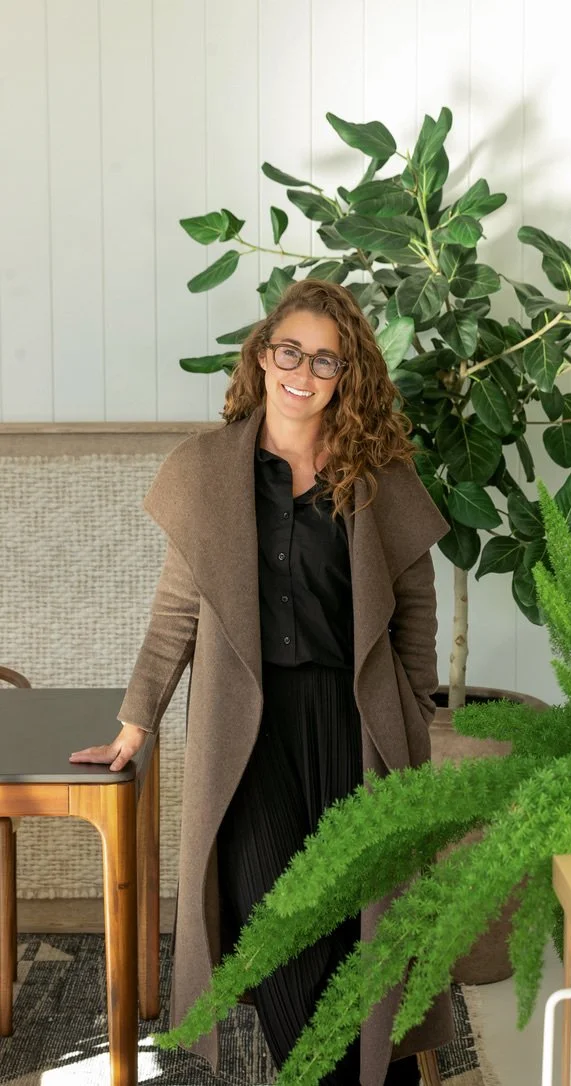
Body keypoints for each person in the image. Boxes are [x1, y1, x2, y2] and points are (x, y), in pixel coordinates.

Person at [68, 279, 455, 1085]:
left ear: (346, 375)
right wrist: (133, 726)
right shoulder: (209, 471)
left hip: (354, 727)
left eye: (324, 359)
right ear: (262, 353)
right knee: (277, 930)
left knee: (358, 934)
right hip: (245, 730)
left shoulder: (377, 475)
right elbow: (177, 613)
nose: (302, 372)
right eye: (290, 351)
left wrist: (415, 725)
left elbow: (413, 612)